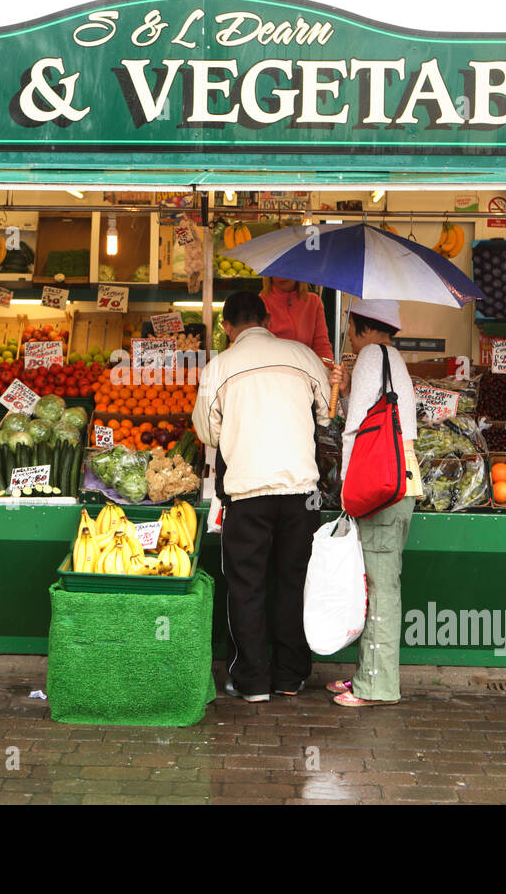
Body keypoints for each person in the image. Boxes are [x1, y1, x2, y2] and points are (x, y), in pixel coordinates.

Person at [193, 290, 332, 702]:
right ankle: (290, 677)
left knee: (246, 585)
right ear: (268, 319)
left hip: (248, 492)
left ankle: (252, 682)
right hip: (301, 493)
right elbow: (326, 414)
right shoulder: (304, 357)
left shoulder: (218, 367)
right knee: (293, 581)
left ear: (226, 327)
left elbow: (207, 433)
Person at [327, 299, 418, 707]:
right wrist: (347, 390)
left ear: (363, 326)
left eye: (350, 325)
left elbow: (355, 431)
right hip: (399, 484)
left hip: (379, 488)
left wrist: (348, 487)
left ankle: (376, 687)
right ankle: (367, 674)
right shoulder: (392, 358)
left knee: (381, 589)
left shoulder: (369, 357)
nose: (347, 333)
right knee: (378, 583)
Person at [261, 277, 334, 360]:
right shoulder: (260, 303)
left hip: (307, 369)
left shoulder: (313, 302)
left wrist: (328, 369)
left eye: (288, 266)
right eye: (276, 270)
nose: (281, 275)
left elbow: (322, 346)